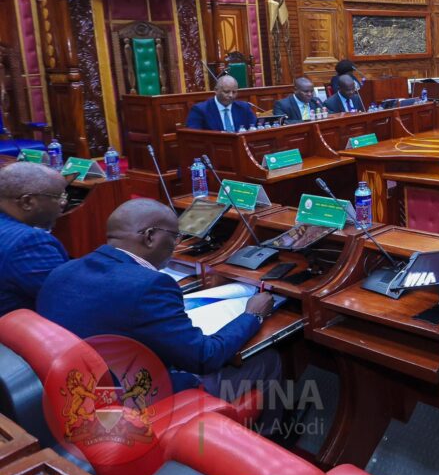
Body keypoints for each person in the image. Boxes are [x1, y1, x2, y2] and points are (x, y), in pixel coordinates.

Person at [38, 199, 280, 396]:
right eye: (175, 237)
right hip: (132, 397)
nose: (177, 245)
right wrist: (253, 314)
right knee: (268, 359)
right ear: (150, 236)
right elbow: (204, 358)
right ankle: (265, 439)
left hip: (72, 386)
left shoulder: (64, 269)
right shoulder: (149, 285)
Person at [0, 163, 69, 316]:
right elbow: (67, 296)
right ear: (27, 202)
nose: (64, 203)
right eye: (58, 197)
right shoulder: (28, 243)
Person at [185, 75, 257, 131]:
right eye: (226, 92)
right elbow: (194, 136)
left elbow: (254, 128)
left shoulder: (244, 107)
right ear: (216, 90)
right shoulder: (200, 110)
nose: (231, 95)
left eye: (234, 92)